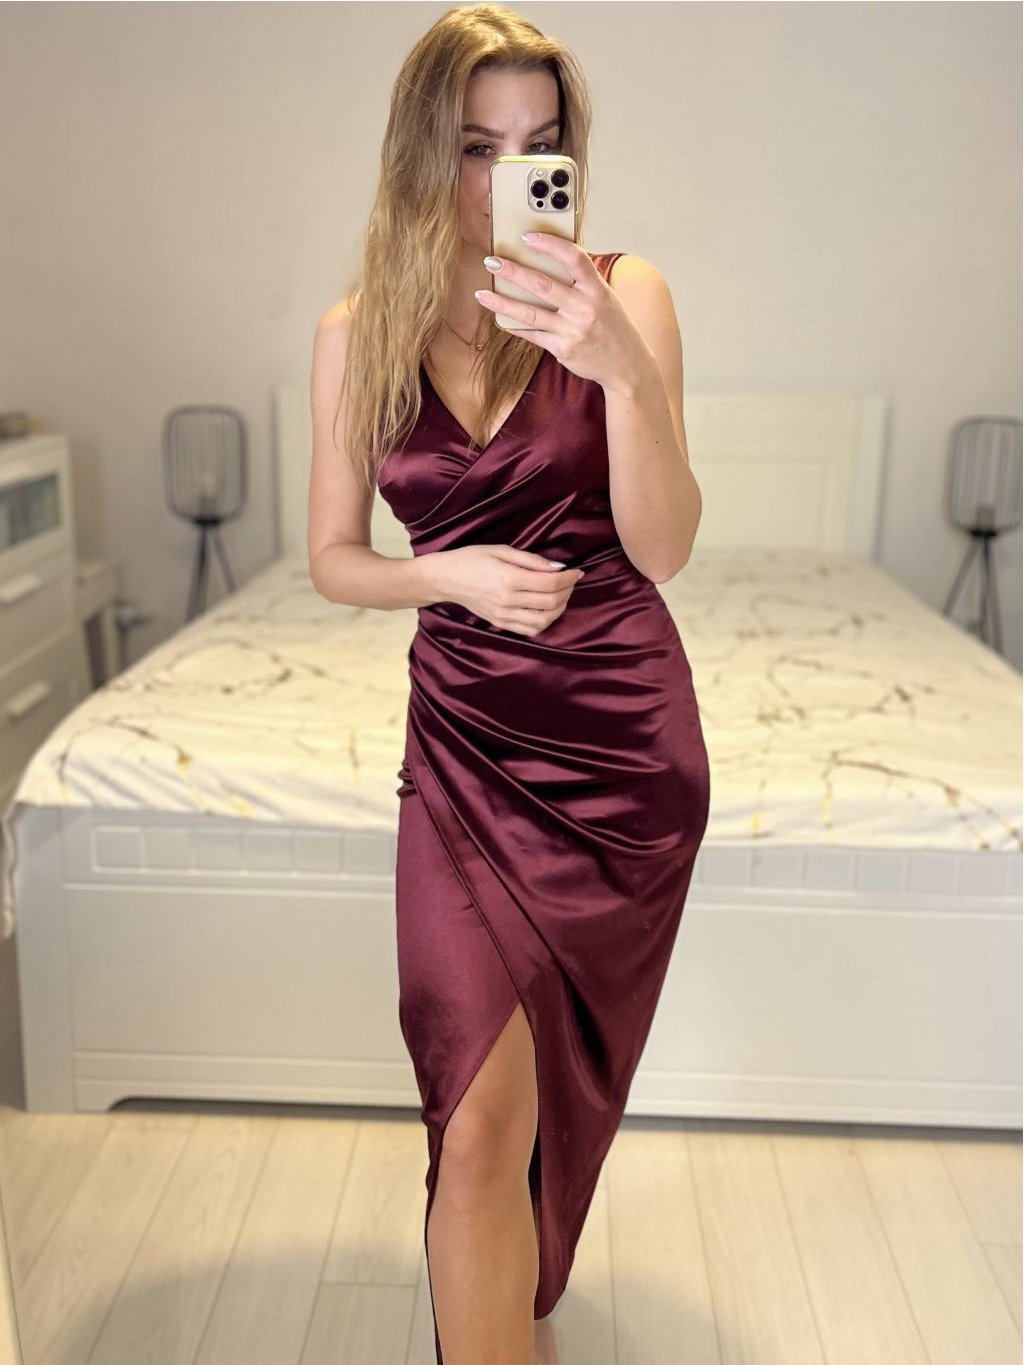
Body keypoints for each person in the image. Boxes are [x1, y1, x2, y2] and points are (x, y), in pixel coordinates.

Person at [308, 7, 711, 1362]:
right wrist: (452, 576)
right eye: (477, 147)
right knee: (474, 1120)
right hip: (464, 750)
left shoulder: (627, 295)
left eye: (539, 148)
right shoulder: (358, 331)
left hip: (618, 750)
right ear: (422, 154)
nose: (507, 179)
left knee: (545, 1106)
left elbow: (666, 547)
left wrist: (620, 370)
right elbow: (334, 559)